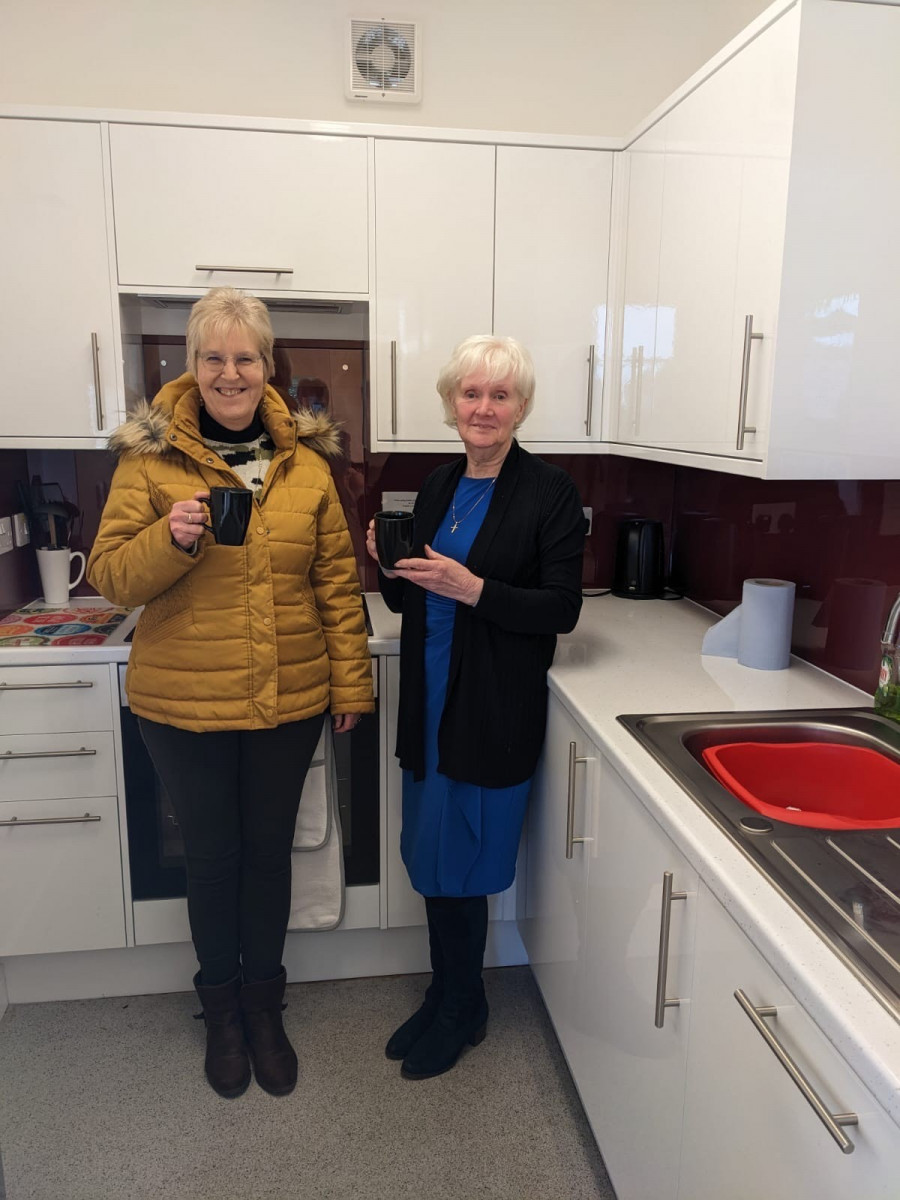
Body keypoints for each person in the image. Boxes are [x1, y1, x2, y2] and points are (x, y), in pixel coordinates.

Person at [88, 288, 374, 1099]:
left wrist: (352, 681)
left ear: (268, 366)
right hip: (182, 707)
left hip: (287, 702)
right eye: (213, 357)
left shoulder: (308, 466)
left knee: (267, 857)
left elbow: (334, 583)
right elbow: (110, 580)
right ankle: (220, 1011)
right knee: (213, 860)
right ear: (192, 364)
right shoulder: (147, 463)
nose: (230, 372)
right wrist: (167, 540)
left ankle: (264, 1006)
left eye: (245, 357)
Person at [366, 335, 585, 1080]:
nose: (483, 408)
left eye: (499, 395)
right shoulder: (436, 486)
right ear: (451, 404)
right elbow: (408, 595)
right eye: (470, 393)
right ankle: (448, 993)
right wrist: (386, 565)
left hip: (489, 707)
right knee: (431, 856)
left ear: (521, 407)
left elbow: (560, 608)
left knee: (463, 856)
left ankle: (465, 1007)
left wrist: (476, 590)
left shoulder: (549, 493)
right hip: (429, 700)